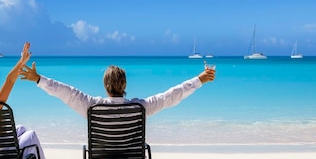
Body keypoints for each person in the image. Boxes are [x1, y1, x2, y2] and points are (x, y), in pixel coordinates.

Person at [19, 59, 216, 122]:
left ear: (105, 86)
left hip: (103, 156)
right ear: (125, 86)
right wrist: (199, 80)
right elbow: (171, 96)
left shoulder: (92, 105)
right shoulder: (140, 107)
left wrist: (38, 79)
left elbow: (64, 91)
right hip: (130, 156)